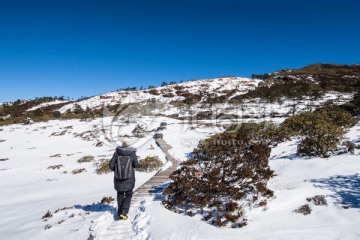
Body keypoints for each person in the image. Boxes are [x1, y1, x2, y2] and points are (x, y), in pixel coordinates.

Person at [109, 141, 140, 220]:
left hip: (118, 179)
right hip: (129, 178)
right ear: (129, 144)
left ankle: (120, 213)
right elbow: (136, 165)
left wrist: (117, 171)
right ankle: (124, 211)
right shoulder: (132, 153)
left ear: (122, 144)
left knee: (120, 195)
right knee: (128, 195)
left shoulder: (116, 153)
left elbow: (111, 166)